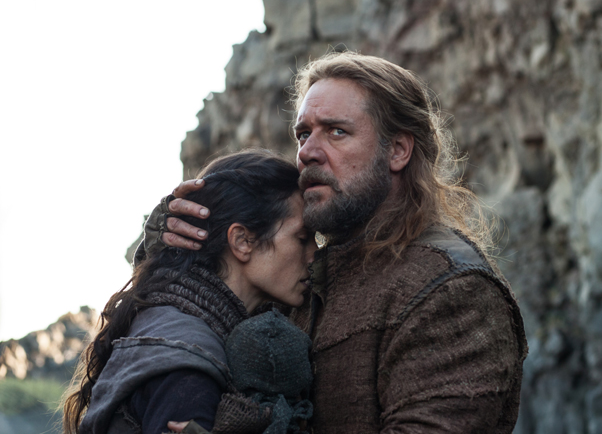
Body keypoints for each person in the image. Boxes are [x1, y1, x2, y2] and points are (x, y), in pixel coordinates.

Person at [142, 52, 528, 433]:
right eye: (303, 134)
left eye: (336, 132)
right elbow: (195, 320)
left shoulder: (450, 290)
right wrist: (173, 240)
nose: (307, 152)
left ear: (397, 150)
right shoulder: (306, 272)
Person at [63, 150, 317, 434]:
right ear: (242, 241)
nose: (315, 255)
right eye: (303, 238)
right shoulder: (189, 363)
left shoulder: (171, 319)